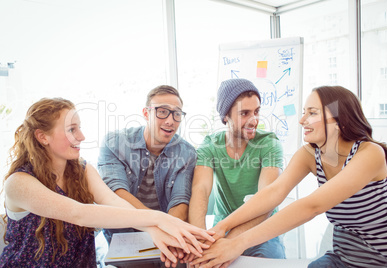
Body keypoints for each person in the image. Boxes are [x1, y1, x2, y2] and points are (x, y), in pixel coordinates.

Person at [190, 85, 387, 268]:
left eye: (312, 113)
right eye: (303, 112)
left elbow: (312, 206)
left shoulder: (370, 153)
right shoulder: (309, 154)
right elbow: (273, 192)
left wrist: (237, 243)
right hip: (343, 259)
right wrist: (222, 227)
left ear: (339, 120)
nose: (302, 120)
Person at [0, 98, 214, 267]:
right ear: (43, 137)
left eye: (80, 127)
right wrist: (158, 218)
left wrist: (154, 230)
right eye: (71, 129)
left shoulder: (82, 170)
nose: (82, 136)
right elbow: (79, 213)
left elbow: (113, 201)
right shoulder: (19, 183)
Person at [187, 78, 286, 265]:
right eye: (244, 113)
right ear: (226, 116)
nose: (253, 120)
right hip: (220, 230)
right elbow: (200, 190)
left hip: (261, 229)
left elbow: (268, 202)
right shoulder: (210, 145)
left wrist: (229, 243)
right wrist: (198, 243)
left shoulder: (269, 143)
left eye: (256, 111)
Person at [97, 85, 196, 266]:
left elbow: (180, 201)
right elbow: (117, 193)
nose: (170, 120)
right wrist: (157, 225)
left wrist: (168, 234)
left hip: (168, 231)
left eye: (177, 114)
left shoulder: (186, 152)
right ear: (146, 113)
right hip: (125, 236)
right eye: (163, 112)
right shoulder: (114, 143)